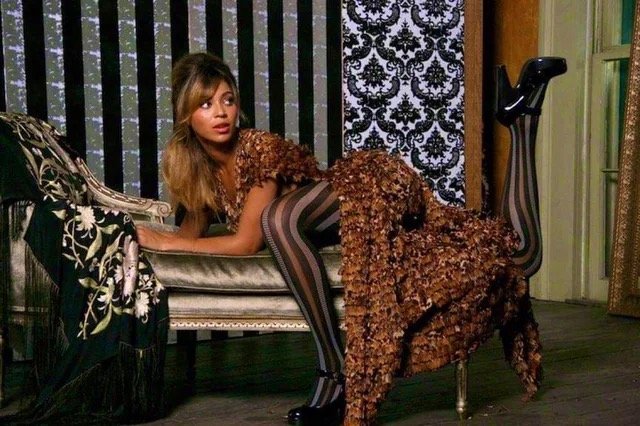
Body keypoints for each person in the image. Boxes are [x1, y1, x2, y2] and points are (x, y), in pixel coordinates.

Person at [136, 52, 345, 424]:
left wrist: (170, 243)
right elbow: (190, 234)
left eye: (227, 100)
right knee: (277, 220)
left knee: (276, 219)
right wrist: (146, 238)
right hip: (310, 223)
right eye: (206, 104)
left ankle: (335, 373)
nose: (221, 113)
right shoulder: (199, 166)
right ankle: (338, 376)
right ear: (186, 115)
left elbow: (246, 243)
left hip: (354, 199)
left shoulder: (258, 150)